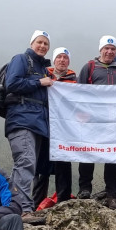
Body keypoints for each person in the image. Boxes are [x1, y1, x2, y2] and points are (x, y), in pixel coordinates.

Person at [4, 30, 54, 223]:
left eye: (46, 44)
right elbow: (12, 83)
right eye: (39, 42)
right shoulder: (21, 59)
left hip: (37, 123)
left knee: (26, 166)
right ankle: (23, 210)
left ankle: (16, 206)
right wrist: (39, 82)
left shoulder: (43, 68)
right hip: (22, 120)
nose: (42, 46)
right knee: (25, 162)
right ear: (32, 43)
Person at [76, 35, 116, 209]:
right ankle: (84, 189)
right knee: (87, 153)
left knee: (113, 155)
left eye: (113, 49)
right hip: (91, 120)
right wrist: (81, 113)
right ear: (100, 50)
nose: (109, 51)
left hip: (113, 121)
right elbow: (78, 92)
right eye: (106, 48)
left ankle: (112, 194)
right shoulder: (90, 67)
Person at [31, 47, 77, 208]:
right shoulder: (44, 75)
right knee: (41, 163)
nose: (62, 60)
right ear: (54, 60)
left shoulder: (74, 79)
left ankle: (63, 201)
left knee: (63, 161)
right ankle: (36, 202)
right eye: (59, 57)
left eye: (65, 57)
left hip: (64, 128)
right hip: (44, 124)